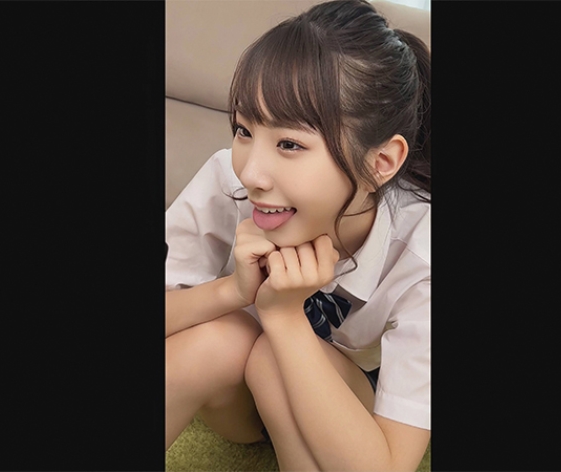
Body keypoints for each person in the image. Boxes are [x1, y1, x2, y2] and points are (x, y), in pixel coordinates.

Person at [165, 0, 430, 470]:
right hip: (237, 402)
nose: (252, 173)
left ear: (381, 163)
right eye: (243, 130)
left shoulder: (422, 253)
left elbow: (387, 465)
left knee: (273, 357)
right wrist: (232, 291)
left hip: (344, 417)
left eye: (289, 143)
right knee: (218, 338)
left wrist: (285, 318)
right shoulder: (228, 181)